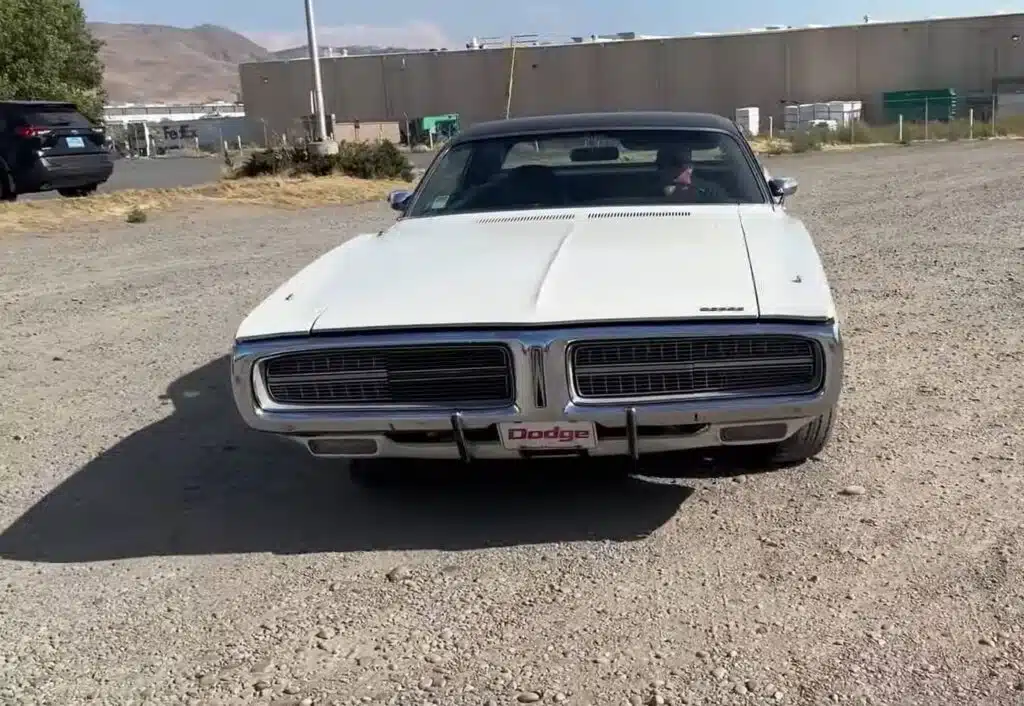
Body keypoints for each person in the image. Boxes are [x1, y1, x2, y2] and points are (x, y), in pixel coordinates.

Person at [655, 144, 730, 203]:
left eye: (686, 163)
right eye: (674, 164)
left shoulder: (711, 191)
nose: (686, 169)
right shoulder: (648, 193)